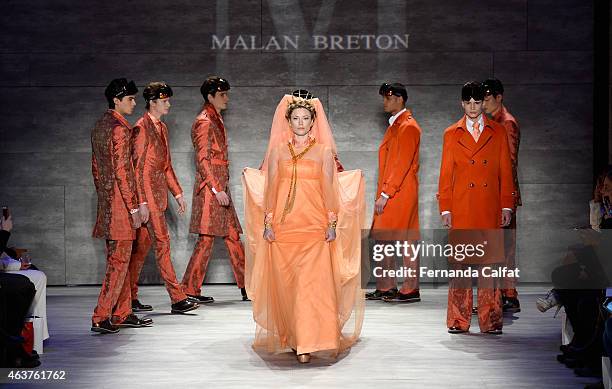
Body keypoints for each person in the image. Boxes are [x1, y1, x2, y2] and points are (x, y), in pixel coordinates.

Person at [242, 94, 365, 363]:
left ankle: (308, 343)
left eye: (305, 118)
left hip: (314, 227)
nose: (300, 123)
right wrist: (268, 223)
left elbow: (329, 190)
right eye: (295, 118)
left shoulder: (323, 152)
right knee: (288, 286)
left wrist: (332, 223)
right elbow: (271, 189)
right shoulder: (277, 152)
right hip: (285, 229)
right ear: (288, 121)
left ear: (312, 123)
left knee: (312, 287)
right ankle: (293, 336)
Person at [437, 81, 516, 334]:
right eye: (468, 102)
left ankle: (490, 319)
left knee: (489, 265)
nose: (472, 107)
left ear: (484, 103)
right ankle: (458, 320)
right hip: (461, 206)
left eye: (477, 102)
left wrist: (507, 205)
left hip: (489, 206)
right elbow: (445, 173)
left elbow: (505, 171)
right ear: (462, 103)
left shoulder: (498, 132)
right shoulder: (451, 133)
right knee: (460, 266)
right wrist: (445, 208)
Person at [128, 82, 198, 314]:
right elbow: (137, 169)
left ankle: (129, 297)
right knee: (162, 244)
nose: (168, 104)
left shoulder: (162, 128)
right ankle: (177, 298)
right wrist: (142, 203)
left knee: (140, 250)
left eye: (168, 100)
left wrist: (177, 193)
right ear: (153, 102)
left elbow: (165, 165)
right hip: (148, 197)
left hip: (158, 196)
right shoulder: (141, 128)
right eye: (164, 100)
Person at [90, 78, 152, 334]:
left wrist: (105, 197)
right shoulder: (119, 129)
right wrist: (134, 207)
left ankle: (122, 312)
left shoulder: (99, 126)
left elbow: (96, 169)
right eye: (130, 99)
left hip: (109, 204)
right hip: (120, 207)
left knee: (121, 261)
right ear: (116, 100)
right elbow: (123, 171)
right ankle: (101, 315)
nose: (134, 103)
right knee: (118, 263)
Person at [181, 76, 247, 302]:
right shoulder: (204, 121)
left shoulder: (213, 117)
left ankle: (249, 285)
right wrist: (216, 188)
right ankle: (189, 289)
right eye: (222, 95)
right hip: (212, 189)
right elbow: (202, 159)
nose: (226, 98)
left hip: (220, 186)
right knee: (207, 238)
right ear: (210, 96)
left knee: (232, 235)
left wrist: (222, 186)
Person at [365, 82, 422, 303]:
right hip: (393, 190)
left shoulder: (408, 127)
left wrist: (386, 194)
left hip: (400, 192)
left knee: (407, 240)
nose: (384, 102)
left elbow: (401, 164)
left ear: (399, 99)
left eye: (387, 98)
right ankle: (387, 286)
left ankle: (411, 288)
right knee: (384, 239)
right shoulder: (396, 126)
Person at [482, 78, 521, 313]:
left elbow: (509, 162)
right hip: (495, 193)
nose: (483, 103)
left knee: (503, 247)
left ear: (499, 97)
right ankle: (505, 295)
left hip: (501, 195)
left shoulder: (507, 123)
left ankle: (506, 295)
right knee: (500, 247)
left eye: (487, 99)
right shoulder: (495, 122)